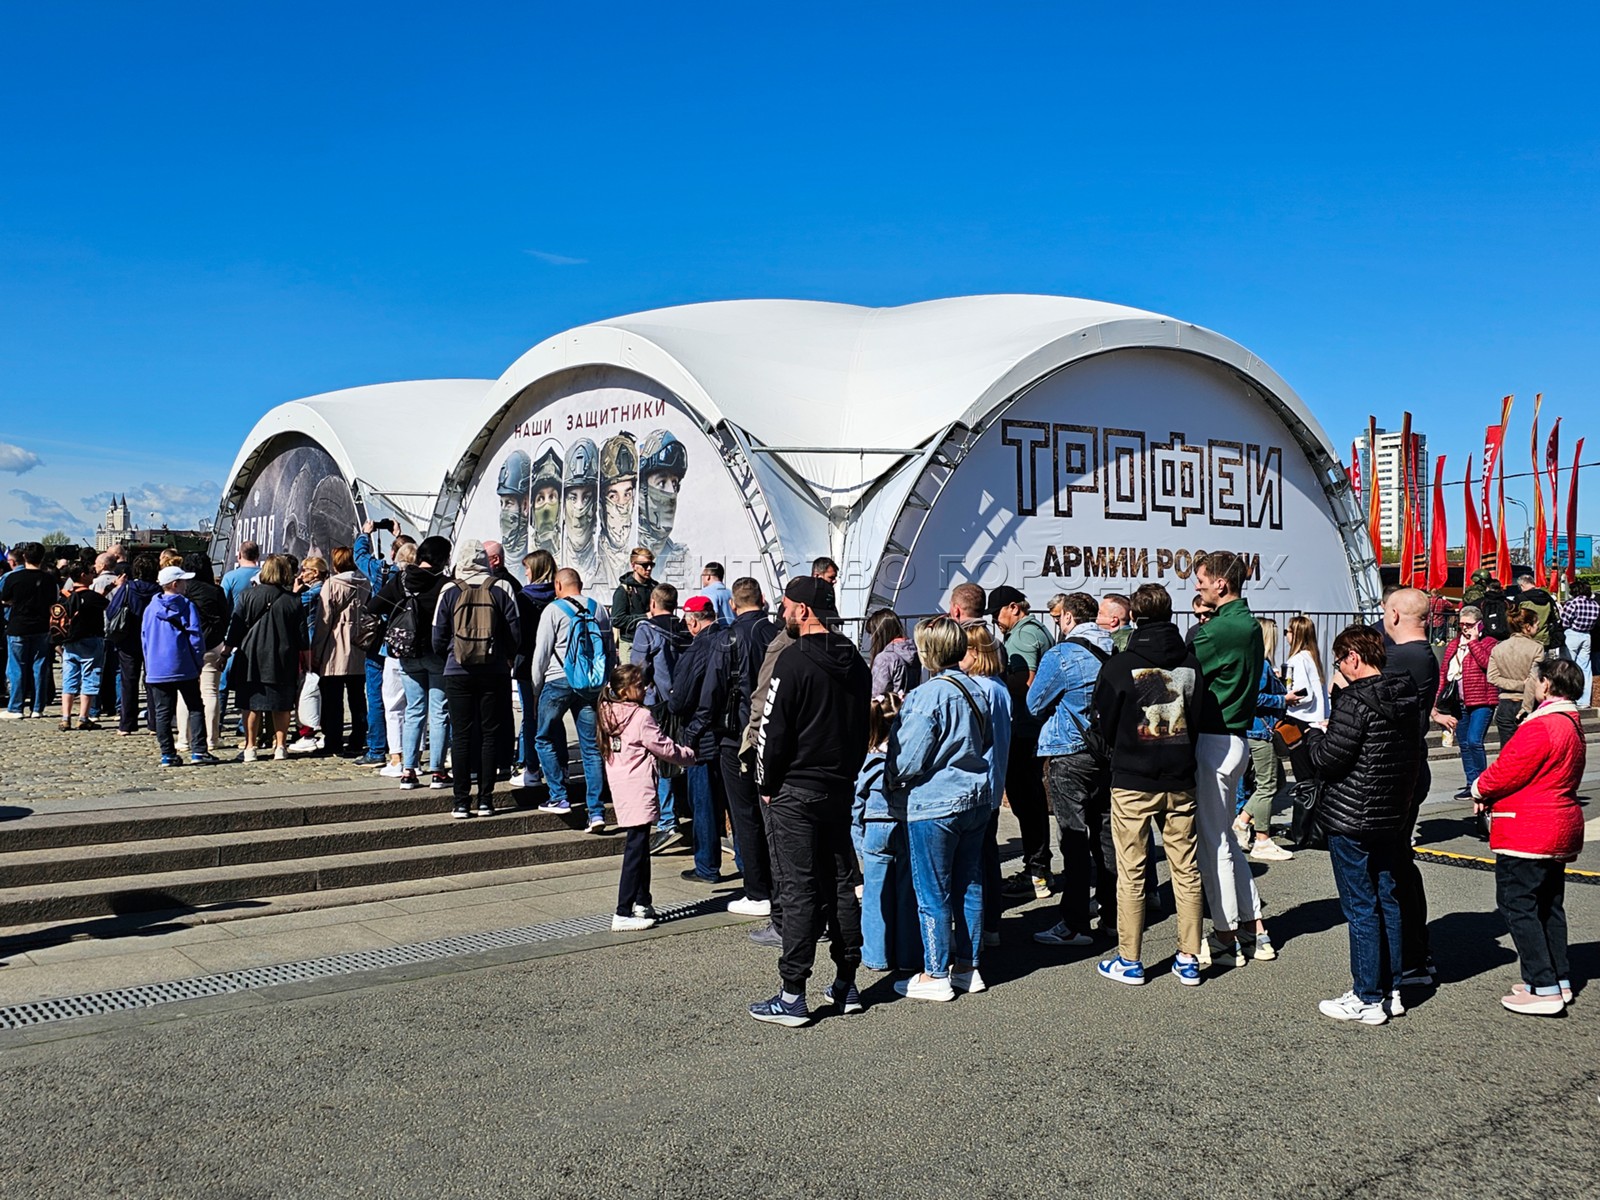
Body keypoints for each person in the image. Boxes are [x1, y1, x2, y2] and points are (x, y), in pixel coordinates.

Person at [748, 576, 871, 1027]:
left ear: (803, 610)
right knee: (840, 883)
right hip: (838, 785)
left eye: (786, 607)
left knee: (798, 888)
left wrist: (766, 781)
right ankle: (846, 983)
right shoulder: (856, 661)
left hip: (794, 789)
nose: (782, 614)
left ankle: (792, 993)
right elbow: (863, 727)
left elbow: (771, 730)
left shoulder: (793, 659)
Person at [1089, 583, 1206, 985]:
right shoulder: (1190, 663)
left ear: (1134, 616)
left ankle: (1130, 958)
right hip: (1180, 774)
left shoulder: (1121, 665)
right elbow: (1199, 713)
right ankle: (1189, 956)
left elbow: (1101, 716)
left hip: (1133, 777)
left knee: (1132, 869)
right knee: (1186, 867)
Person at [1305, 626, 1421, 1024]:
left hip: (1353, 813)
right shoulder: (1405, 695)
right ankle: (1391, 989)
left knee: (1361, 905)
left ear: (1353, 658)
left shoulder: (1355, 701)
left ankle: (1367, 996)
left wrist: (1311, 738)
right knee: (1387, 898)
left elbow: (1329, 759)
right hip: (1391, 812)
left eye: (1339, 660)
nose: (1338, 667)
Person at [885, 616, 994, 1001]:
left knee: (932, 891)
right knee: (969, 885)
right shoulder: (976, 689)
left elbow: (909, 758)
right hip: (975, 794)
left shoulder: (926, 695)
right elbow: (987, 739)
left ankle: (935, 973)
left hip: (935, 801)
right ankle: (968, 966)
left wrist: (890, 775)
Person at [1472, 658, 1586, 1014]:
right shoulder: (1571, 723)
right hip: (1559, 822)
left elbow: (1507, 770)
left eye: (1537, 680)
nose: (1533, 684)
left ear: (1547, 685)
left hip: (1529, 826)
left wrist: (1478, 788)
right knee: (1549, 903)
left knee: (1516, 903)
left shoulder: (1542, 726)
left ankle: (1544, 986)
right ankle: (1557, 977)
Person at [1189, 551, 1273, 967]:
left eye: (1201, 580)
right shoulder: (1247, 623)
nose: (1197, 587)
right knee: (1224, 840)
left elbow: (1182, 666)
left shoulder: (1221, 628)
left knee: (1214, 844)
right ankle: (1255, 929)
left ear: (1221, 583)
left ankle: (1224, 938)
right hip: (1233, 737)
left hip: (1214, 739)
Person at [1027, 591, 1114, 946]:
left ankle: (1075, 923)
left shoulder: (1062, 654)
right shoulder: (1115, 651)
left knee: (1074, 839)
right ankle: (1112, 915)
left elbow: (1035, 704)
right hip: (1107, 753)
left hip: (1069, 750)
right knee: (1106, 837)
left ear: (1067, 618)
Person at [697, 577, 781, 926]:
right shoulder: (778, 633)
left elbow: (711, 689)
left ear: (732, 605)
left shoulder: (728, 637)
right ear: (762, 599)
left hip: (738, 733)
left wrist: (693, 731)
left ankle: (758, 890)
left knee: (744, 811)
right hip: (776, 729)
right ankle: (777, 885)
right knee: (771, 808)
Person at [599, 663, 697, 932]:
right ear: (624, 690)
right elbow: (663, 747)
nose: (645, 689)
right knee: (636, 848)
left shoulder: (606, 711)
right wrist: (690, 755)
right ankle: (623, 909)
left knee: (639, 845)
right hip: (639, 783)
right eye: (639, 685)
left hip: (620, 783)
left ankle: (643, 901)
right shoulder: (641, 717)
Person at [431, 539, 522, 819]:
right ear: (485, 559)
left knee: (461, 735)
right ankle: (485, 800)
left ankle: (460, 801)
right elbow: (515, 633)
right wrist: (504, 655)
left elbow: (437, 636)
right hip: (493, 670)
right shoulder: (501, 587)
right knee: (489, 734)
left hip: (457, 671)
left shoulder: (449, 589)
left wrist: (451, 653)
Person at [532, 568, 617, 829]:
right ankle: (597, 812)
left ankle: (558, 796)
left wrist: (536, 690)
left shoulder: (553, 610)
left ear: (558, 585)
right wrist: (604, 682)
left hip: (559, 681)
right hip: (590, 684)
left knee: (543, 738)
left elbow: (542, 654)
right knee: (591, 748)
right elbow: (610, 650)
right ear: (579, 584)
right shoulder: (599, 609)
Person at [989, 584, 1057, 898]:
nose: (995, 620)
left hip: (1024, 729)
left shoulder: (1024, 636)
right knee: (1028, 799)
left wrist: (994, 676)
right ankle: (1038, 867)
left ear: (1014, 607)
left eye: (997, 612)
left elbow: (1026, 682)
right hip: (1032, 728)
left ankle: (1037, 871)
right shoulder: (1036, 631)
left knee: (1026, 800)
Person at [371, 535, 453, 790]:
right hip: (436, 653)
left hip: (406, 652)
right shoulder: (446, 585)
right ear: (443, 558)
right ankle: (438, 772)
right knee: (439, 712)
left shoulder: (402, 579)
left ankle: (408, 770)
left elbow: (374, 606)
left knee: (413, 710)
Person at [854, 692, 918, 972]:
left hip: (874, 827)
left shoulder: (867, 761)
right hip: (903, 824)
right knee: (907, 893)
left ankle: (875, 955)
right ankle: (907, 956)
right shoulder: (908, 758)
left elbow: (855, 803)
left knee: (874, 894)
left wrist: (858, 841)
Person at [668, 595, 730, 883]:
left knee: (703, 805)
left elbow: (679, 700)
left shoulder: (697, 649)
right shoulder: (731, 639)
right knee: (733, 804)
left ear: (693, 621)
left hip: (701, 738)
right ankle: (747, 862)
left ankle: (706, 865)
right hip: (730, 736)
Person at [959, 623, 1012, 948]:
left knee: (976, 859)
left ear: (976, 653)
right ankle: (990, 922)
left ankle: (983, 925)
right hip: (992, 779)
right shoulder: (998, 687)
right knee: (987, 855)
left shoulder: (980, 688)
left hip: (979, 782)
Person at [224, 555, 307, 761]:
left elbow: (235, 630)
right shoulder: (293, 601)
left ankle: (250, 747)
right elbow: (302, 637)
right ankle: (280, 746)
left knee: (250, 704)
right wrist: (308, 661)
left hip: (250, 656)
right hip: (282, 657)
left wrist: (225, 654)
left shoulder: (246, 596)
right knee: (282, 705)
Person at [631, 583, 691, 850]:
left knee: (661, 759)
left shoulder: (646, 629)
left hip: (658, 703)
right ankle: (686, 813)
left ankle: (667, 821)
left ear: (653, 604)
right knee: (683, 754)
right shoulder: (685, 627)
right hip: (684, 701)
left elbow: (638, 668)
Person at [141, 564, 216, 767]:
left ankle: (167, 753)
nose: (186, 584)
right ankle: (199, 750)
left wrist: (149, 664)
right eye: (183, 581)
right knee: (195, 707)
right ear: (175, 584)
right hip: (183, 665)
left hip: (157, 667)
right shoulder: (186, 606)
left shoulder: (150, 608)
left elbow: (145, 638)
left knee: (163, 712)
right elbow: (195, 637)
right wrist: (198, 661)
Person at [1237, 618, 1293, 861]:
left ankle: (1242, 821)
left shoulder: (1253, 660)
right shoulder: (1259, 662)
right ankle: (1262, 839)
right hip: (1261, 730)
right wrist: (1283, 699)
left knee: (1277, 781)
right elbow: (1255, 698)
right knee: (1268, 785)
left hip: (1257, 729)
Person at [1433, 605, 1499, 804]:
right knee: (1463, 744)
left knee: (1474, 741)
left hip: (1482, 700)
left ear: (1479, 624)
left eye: (1469, 624)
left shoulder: (1489, 643)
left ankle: (1483, 783)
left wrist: (1474, 643)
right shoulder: (1454, 645)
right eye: (1461, 624)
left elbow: (1487, 664)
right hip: (1458, 702)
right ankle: (1471, 783)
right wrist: (1437, 702)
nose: (1464, 628)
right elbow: (1444, 674)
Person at [312, 546, 373, 759]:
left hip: (335, 648)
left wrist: (316, 652)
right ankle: (359, 738)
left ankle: (334, 741)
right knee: (358, 698)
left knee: (333, 700)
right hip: (360, 647)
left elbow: (324, 621)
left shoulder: (331, 585)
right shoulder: (366, 584)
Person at [173, 553, 230, 756]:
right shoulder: (216, 591)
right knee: (210, 691)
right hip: (212, 644)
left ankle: (183, 739)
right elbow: (226, 617)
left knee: (184, 693)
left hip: (186, 645)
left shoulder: (182, 592)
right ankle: (211, 738)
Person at [1281, 614, 1329, 843]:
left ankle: (1302, 832)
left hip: (1300, 722)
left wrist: (1286, 696)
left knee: (1304, 781)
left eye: (1288, 632)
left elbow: (1303, 694)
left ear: (1296, 634)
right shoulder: (1313, 657)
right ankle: (1315, 829)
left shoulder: (1297, 660)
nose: (1286, 636)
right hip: (1317, 723)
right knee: (1315, 780)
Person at [514, 549, 558, 789]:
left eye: (528, 568)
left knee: (530, 716)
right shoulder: (558, 597)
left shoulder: (522, 597)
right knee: (554, 716)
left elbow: (517, 632)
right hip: (554, 664)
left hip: (526, 663)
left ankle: (530, 766)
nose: (526, 572)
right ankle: (558, 764)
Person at [2, 542, 59, 718]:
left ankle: (16, 707)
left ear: (24, 557)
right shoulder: (50, 580)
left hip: (18, 625)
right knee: (40, 668)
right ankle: (37, 707)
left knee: (16, 668)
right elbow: (54, 601)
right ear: (42, 559)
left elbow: (4, 599)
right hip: (41, 626)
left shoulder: (13, 578)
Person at [106, 553, 162, 736]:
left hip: (128, 638)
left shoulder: (128, 588)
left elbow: (112, 610)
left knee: (128, 681)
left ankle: (126, 724)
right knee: (153, 681)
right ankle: (154, 724)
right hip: (153, 640)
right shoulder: (159, 590)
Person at [56, 566, 109, 731]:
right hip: (90, 640)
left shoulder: (65, 596)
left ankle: (65, 717)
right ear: (83, 575)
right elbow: (104, 604)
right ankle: (83, 717)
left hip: (69, 641)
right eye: (91, 572)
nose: (94, 574)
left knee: (69, 678)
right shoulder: (92, 596)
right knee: (89, 677)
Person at [1487, 607, 1545, 749]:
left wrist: (1517, 684)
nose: (1538, 627)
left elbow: (1492, 677)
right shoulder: (1536, 648)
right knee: (1529, 753)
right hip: (1528, 703)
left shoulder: (1499, 648)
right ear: (1527, 627)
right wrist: (1526, 706)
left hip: (1505, 704)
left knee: (1507, 753)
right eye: (1536, 624)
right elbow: (1533, 680)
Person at [610, 547, 657, 657]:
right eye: (644, 565)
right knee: (630, 674)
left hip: (652, 641)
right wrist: (645, 616)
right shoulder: (623, 590)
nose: (649, 568)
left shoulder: (655, 587)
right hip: (630, 643)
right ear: (633, 565)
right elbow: (617, 620)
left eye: (651, 565)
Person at [866, 608, 921, 697]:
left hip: (889, 709)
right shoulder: (914, 652)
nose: (871, 638)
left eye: (872, 633)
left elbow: (876, 695)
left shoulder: (884, 658)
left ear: (879, 633)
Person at [1559, 580, 1596, 706]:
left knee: (1567, 667)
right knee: (1585, 668)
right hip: (1587, 635)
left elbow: (1564, 621)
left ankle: (1566, 696)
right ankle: (1584, 700)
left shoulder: (1572, 603)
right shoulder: (1595, 605)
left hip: (1572, 634)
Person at [1512, 573, 1562, 656]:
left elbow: (1513, 618)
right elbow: (1555, 617)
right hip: (1544, 639)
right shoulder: (1547, 597)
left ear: (1521, 585)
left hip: (1526, 638)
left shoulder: (1520, 599)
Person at [220, 541, 262, 607]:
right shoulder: (265, 576)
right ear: (258, 556)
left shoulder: (229, 577)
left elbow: (222, 604)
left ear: (239, 555)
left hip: (236, 616)